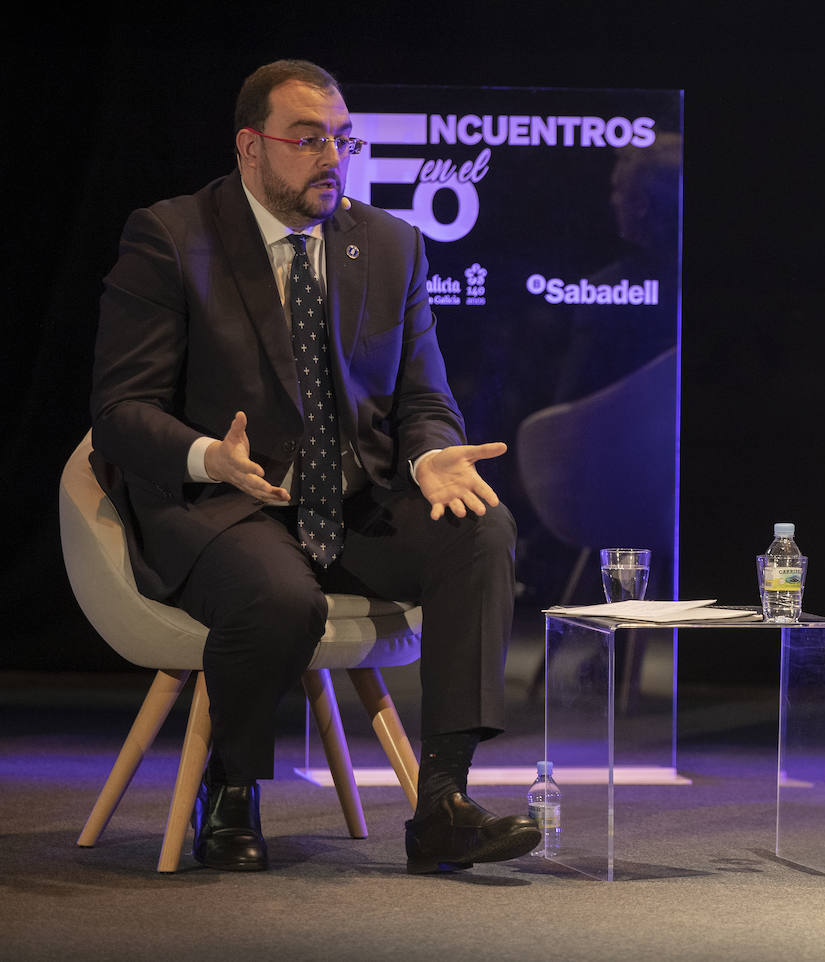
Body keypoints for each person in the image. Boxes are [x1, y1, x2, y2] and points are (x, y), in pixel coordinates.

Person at [91, 59, 540, 873]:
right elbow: (121, 411)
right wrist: (207, 456)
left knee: (480, 529)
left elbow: (423, 398)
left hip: (352, 501)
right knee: (279, 596)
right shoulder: (173, 237)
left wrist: (431, 455)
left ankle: (443, 802)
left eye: (342, 139)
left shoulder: (392, 244)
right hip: (221, 502)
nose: (332, 158)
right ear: (250, 147)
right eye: (308, 140)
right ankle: (231, 788)